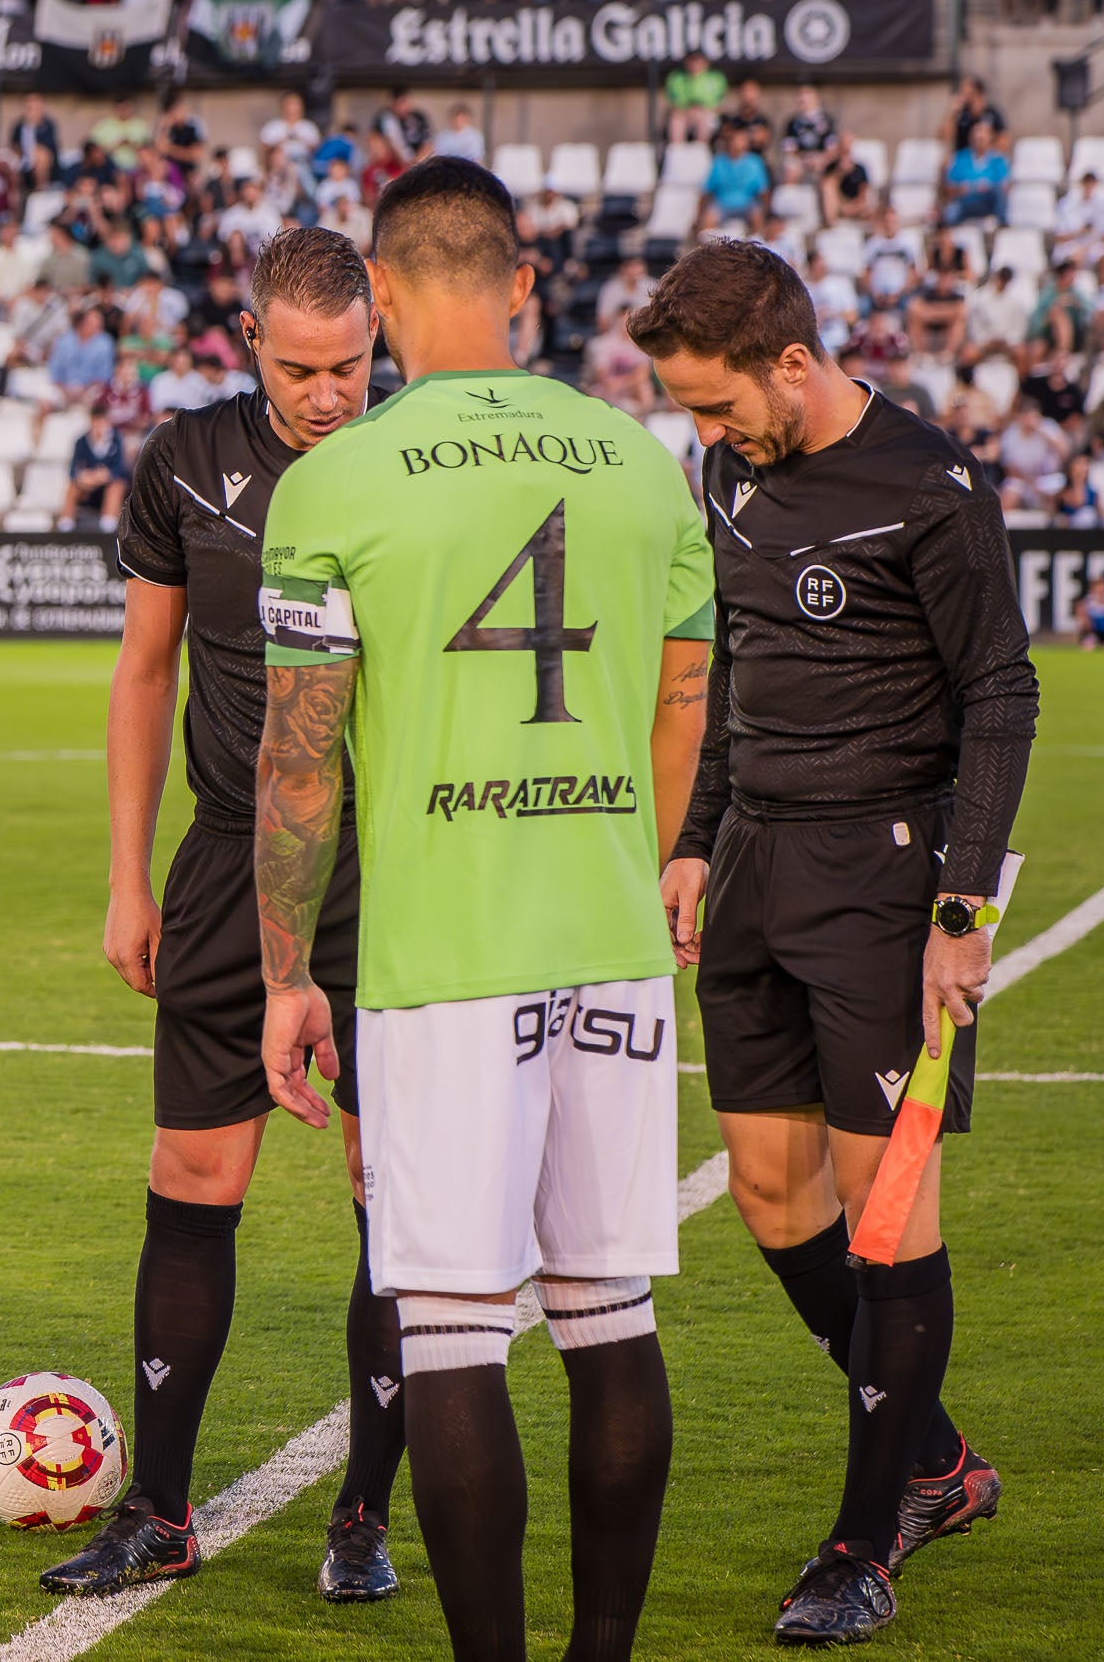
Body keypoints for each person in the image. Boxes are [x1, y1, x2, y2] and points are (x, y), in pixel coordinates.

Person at [256, 157, 714, 1662]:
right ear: (522, 283)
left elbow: (299, 759)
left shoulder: (333, 482)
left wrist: (286, 972)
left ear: (380, 294)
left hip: (443, 957)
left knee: (453, 1319)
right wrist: (635, 862)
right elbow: (686, 703)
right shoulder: (644, 461)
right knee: (607, 1305)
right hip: (611, 939)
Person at [629, 238, 1037, 1644]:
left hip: (883, 876)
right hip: (752, 862)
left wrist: (962, 912)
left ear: (792, 362)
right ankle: (937, 1456)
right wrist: (696, 835)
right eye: (687, 408)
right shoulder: (727, 470)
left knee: (886, 1211)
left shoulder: (930, 486)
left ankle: (867, 1539)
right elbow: (739, 670)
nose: (706, 428)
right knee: (767, 1192)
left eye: (715, 401)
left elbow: (1001, 692)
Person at [35, 227, 407, 1604]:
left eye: (349, 364)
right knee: (192, 1178)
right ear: (252, 341)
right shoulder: (187, 460)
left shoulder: (416, 461)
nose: (328, 393)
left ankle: (363, 1515)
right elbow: (145, 669)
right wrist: (128, 876)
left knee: (390, 1196)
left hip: (397, 878)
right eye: (301, 368)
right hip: (223, 870)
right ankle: (160, 1508)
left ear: (378, 338)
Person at [59, 404, 129, 529]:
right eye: (96, 422)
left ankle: (109, 523)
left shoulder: (117, 439)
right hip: (87, 486)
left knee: (117, 485)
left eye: (102, 422)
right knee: (72, 485)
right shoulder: (81, 441)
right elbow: (73, 469)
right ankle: (66, 522)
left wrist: (106, 475)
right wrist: (84, 477)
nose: (99, 426)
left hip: (108, 484)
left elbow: (121, 469)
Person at [942, 123, 1009, 226]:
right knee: (950, 212)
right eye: (976, 139)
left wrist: (986, 187)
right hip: (965, 201)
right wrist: (961, 189)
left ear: (990, 139)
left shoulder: (998, 159)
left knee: (997, 191)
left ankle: (1000, 224)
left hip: (987, 202)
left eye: (982, 139)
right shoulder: (960, 158)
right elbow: (949, 187)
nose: (979, 142)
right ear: (971, 139)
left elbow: (1004, 187)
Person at [666, 50, 727, 145]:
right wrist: (687, 111)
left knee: (707, 120)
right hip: (684, 113)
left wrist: (701, 111)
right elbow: (673, 105)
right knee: (676, 120)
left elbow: (719, 106)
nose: (695, 64)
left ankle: (700, 150)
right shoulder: (676, 77)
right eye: (692, 60)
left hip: (706, 113)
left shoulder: (717, 78)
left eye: (698, 61)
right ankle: (677, 150)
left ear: (706, 63)